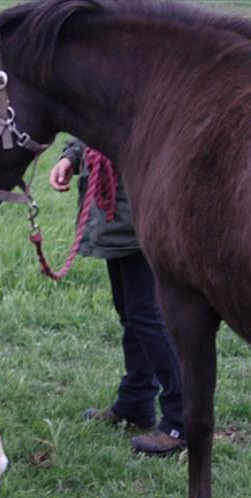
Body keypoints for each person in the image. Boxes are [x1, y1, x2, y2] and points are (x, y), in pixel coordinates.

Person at [49, 138, 186, 456]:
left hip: (140, 206)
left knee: (146, 313)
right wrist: (72, 156)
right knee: (130, 310)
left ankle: (182, 417)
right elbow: (91, 113)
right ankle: (136, 401)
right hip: (118, 211)